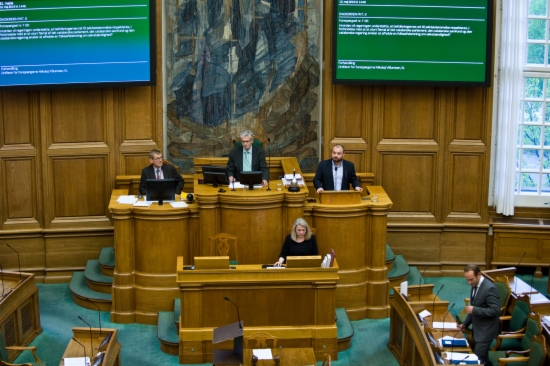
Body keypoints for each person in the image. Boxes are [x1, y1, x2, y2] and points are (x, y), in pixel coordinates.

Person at [457, 264, 501, 365]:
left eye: (471, 279)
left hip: (486, 330)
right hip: (478, 328)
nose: (469, 282)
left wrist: (475, 310)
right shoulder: (475, 285)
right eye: (467, 280)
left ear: (479, 274)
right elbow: (474, 307)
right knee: (482, 359)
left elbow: (495, 311)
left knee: (477, 360)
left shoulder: (490, 288)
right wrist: (465, 324)